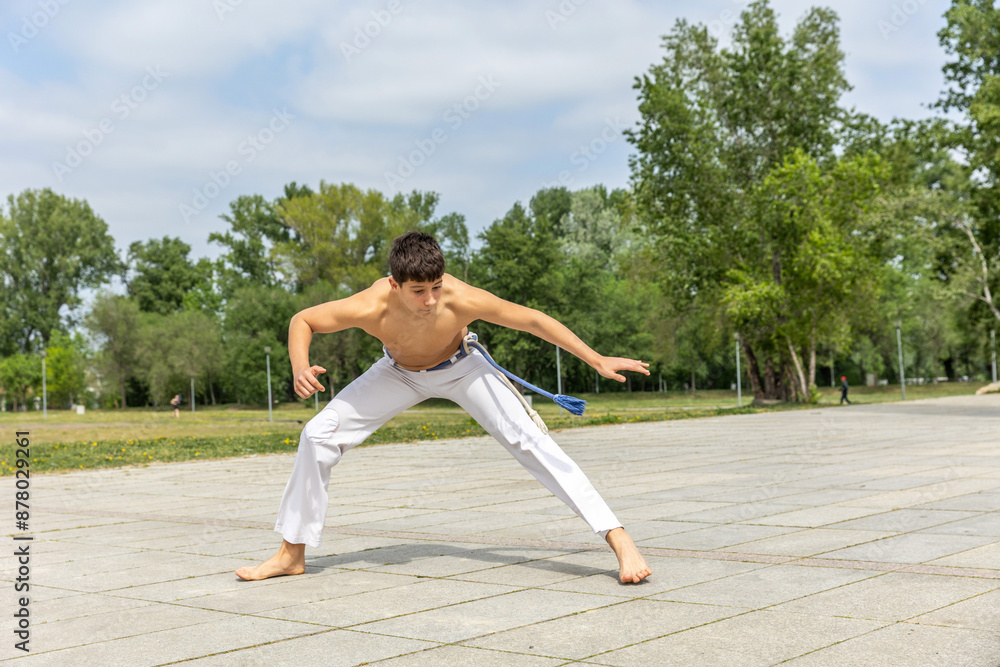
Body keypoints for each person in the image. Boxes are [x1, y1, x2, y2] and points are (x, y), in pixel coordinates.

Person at [235, 231, 652, 584]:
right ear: (394, 284)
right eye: (418, 291)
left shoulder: (459, 298)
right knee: (317, 434)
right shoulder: (371, 305)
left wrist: (595, 359)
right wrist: (300, 366)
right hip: (398, 372)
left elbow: (531, 319)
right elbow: (303, 320)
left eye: (436, 287)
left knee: (529, 440)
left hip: (462, 367)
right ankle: (291, 553)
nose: (431, 300)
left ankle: (618, 537)